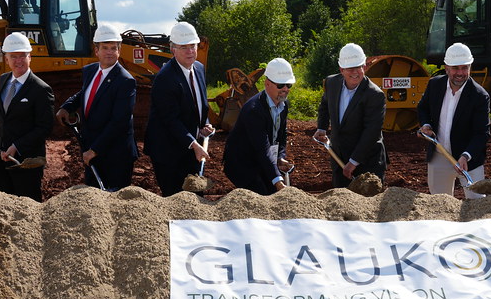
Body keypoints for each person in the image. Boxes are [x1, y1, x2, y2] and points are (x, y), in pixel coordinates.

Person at [0, 32, 54, 201]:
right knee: (0, 206)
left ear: (30, 57)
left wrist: (17, 146)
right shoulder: (3, 80)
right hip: (0, 158)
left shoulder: (41, 89)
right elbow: (0, 110)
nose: (18, 61)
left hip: (26, 162)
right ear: (6, 59)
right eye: (13, 56)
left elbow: (44, 127)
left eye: (22, 56)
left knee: (26, 209)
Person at [56, 23, 137, 190]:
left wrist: (94, 150)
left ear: (119, 51)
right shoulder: (91, 71)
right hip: (92, 150)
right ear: (96, 51)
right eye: (105, 47)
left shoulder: (125, 81)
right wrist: (67, 106)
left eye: (113, 48)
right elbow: (86, 93)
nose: (109, 52)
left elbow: (119, 123)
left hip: (115, 155)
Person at [142, 21, 215, 196]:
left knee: (195, 197)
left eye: (193, 46)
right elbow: (170, 119)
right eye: (184, 47)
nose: (190, 51)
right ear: (173, 49)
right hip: (168, 151)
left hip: (190, 147)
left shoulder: (198, 68)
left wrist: (204, 123)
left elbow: (199, 104)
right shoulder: (165, 79)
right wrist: (194, 144)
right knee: (176, 199)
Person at [416, 43, 490, 198]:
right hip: (439, 156)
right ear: (447, 67)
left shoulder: (480, 96)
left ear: (470, 67)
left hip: (469, 161)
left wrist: (466, 155)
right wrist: (426, 125)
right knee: (439, 206)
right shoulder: (435, 85)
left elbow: (481, 133)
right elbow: (423, 108)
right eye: (456, 68)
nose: (460, 73)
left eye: (465, 68)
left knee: (477, 205)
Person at [313, 43, 386, 187]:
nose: (355, 72)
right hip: (339, 156)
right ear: (341, 69)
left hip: (367, 161)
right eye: (350, 68)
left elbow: (371, 132)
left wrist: (353, 162)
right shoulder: (331, 83)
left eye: (359, 67)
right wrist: (321, 128)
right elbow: (324, 106)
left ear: (364, 66)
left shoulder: (375, 95)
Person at [222, 57, 295, 195]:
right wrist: (278, 181)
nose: (285, 89)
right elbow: (262, 147)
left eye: (288, 85)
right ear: (267, 84)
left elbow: (282, 134)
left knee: (272, 192)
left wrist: (280, 156)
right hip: (242, 164)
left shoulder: (284, 105)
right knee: (262, 196)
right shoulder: (254, 110)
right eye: (281, 85)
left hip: (261, 159)